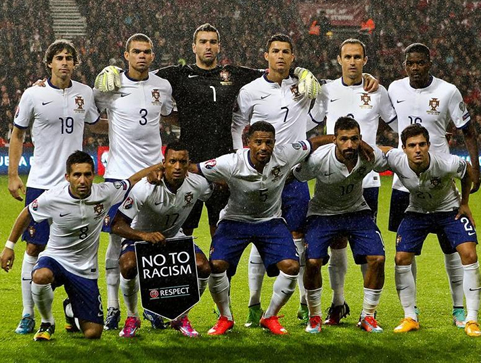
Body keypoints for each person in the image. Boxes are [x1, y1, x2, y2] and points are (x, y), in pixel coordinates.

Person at [95, 23, 320, 250]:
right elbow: (140, 74)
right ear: (194, 46)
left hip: (222, 164)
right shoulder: (177, 74)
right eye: (203, 42)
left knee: (220, 227)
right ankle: (185, 280)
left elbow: (272, 71)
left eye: (213, 42)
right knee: (182, 229)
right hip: (188, 165)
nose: (208, 46)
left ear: (219, 46)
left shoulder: (233, 74)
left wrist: (300, 72)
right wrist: (112, 70)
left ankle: (218, 280)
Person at [1, 151, 162, 341]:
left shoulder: (105, 192)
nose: (83, 180)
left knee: (93, 333)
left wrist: (158, 167)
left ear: (94, 175)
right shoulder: (54, 197)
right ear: (67, 177)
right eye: (77, 175)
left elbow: (132, 180)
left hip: (85, 270)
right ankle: (47, 322)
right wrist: (9, 246)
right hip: (55, 259)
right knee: (40, 276)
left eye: (87, 174)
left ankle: (71, 310)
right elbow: (27, 213)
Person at [194, 121, 332, 335]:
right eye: (258, 142)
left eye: (269, 142)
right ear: (248, 143)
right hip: (235, 220)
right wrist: (157, 172)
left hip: (270, 221)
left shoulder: (285, 155)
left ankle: (270, 316)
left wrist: (348, 141)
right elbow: (195, 169)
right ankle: (225, 318)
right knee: (217, 264)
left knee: (292, 267)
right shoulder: (231, 162)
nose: (264, 147)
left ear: (275, 143)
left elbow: (313, 143)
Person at [7, 40, 104, 335]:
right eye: (59, 58)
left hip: (75, 185)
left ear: (75, 63)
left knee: (77, 247)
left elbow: (96, 124)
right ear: (49, 63)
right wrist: (13, 174)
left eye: (69, 58)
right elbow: (17, 133)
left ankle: (72, 305)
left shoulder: (84, 93)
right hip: (41, 182)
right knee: (35, 247)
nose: (64, 62)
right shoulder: (34, 94)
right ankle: (28, 314)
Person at [388, 43, 481, 328]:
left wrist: (474, 168)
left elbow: (468, 130)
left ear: (430, 63)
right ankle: (410, 311)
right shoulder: (393, 89)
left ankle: (458, 310)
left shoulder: (447, 91)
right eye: (410, 63)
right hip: (404, 183)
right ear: (405, 65)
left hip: (440, 177)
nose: (415, 67)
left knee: (452, 249)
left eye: (420, 62)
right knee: (405, 250)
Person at [231, 34, 321, 326]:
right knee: (259, 239)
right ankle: (254, 305)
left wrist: (313, 82)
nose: (280, 56)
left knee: (298, 240)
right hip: (259, 177)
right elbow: (237, 128)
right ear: (265, 56)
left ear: (293, 58)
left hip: (293, 176)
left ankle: (303, 304)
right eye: (275, 51)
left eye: (286, 52)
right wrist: (241, 163)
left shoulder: (303, 88)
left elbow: (318, 116)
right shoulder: (250, 91)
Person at [308, 38, 396, 325]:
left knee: (366, 249)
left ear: (365, 60)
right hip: (334, 175)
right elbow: (309, 122)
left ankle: (368, 312)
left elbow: (399, 123)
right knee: (336, 244)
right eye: (348, 57)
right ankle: (337, 302)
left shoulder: (378, 91)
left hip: (367, 178)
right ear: (339, 59)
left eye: (358, 57)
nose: (353, 62)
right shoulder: (326, 90)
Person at [93, 33, 173, 331]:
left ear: (153, 56)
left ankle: (152, 306)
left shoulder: (162, 87)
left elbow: (167, 115)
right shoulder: (110, 86)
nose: (142, 56)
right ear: (125, 55)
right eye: (136, 51)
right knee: (115, 240)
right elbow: (89, 116)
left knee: (151, 240)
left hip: (153, 175)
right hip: (119, 176)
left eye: (147, 52)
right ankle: (114, 307)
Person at [382, 124, 481, 337]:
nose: (417, 149)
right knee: (401, 258)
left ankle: (472, 319)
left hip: (449, 211)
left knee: (469, 253)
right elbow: (379, 151)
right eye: (412, 145)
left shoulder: (446, 163)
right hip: (417, 212)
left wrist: (464, 202)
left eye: (421, 144)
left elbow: (466, 170)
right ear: (404, 148)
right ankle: (410, 317)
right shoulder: (397, 159)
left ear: (429, 145)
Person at [294, 116, 387, 334]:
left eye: (354, 139)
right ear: (334, 139)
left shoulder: (368, 156)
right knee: (314, 261)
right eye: (344, 139)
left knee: (378, 259)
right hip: (322, 213)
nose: (349, 145)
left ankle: (368, 316)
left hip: (356, 211)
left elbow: (396, 158)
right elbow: (293, 176)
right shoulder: (318, 159)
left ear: (360, 139)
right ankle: (315, 317)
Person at [111, 142, 214, 338]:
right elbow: (117, 225)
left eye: (182, 162)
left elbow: (214, 192)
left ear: (188, 164)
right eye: (172, 161)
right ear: (163, 163)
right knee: (128, 265)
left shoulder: (197, 184)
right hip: (141, 238)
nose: (177, 167)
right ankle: (132, 317)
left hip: (174, 237)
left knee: (203, 267)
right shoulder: (145, 188)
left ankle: (181, 317)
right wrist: (144, 236)